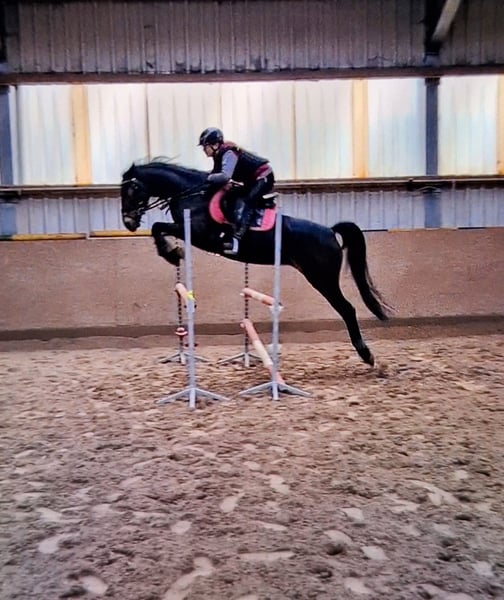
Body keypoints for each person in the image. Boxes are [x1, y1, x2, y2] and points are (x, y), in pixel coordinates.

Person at [198, 127, 274, 255]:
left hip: (263, 177)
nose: (204, 150)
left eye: (205, 146)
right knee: (231, 197)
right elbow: (216, 176)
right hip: (252, 180)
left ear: (215, 145)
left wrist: (206, 177)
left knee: (246, 202)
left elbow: (224, 176)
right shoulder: (218, 155)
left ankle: (237, 241)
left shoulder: (228, 153)